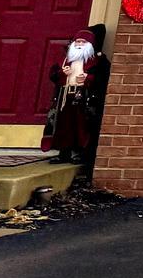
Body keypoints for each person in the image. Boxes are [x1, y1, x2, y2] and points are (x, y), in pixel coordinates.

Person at [43, 23, 111, 176]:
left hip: (83, 100)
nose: (80, 45)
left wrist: (88, 78)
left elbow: (102, 78)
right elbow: (54, 75)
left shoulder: (96, 62)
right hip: (65, 98)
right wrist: (62, 74)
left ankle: (79, 152)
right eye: (77, 42)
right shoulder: (65, 61)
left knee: (81, 127)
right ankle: (63, 153)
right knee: (63, 126)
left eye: (83, 42)